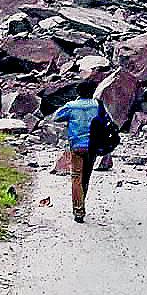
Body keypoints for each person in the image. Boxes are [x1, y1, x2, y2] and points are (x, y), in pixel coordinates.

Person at [55, 81, 102, 223]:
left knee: (76, 177)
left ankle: (78, 210)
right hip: (93, 146)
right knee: (86, 177)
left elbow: (56, 117)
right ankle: (82, 203)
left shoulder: (71, 106)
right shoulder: (98, 105)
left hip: (77, 146)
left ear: (78, 93)